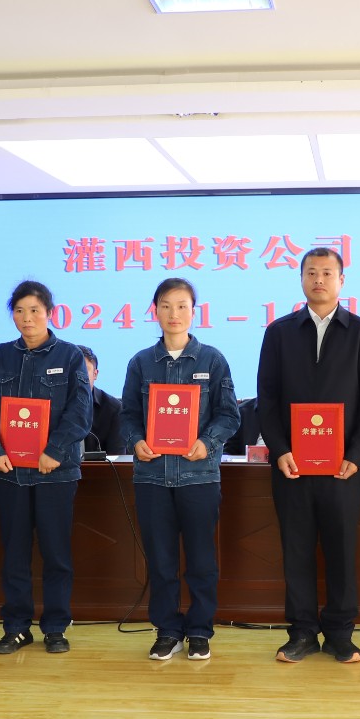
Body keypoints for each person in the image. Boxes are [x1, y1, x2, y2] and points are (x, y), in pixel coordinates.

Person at [257, 247, 360, 664]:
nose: (319, 280)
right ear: (301, 279)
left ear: (341, 281)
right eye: (311, 272)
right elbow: (267, 398)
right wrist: (280, 450)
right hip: (292, 465)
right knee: (296, 550)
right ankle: (302, 633)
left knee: (341, 550)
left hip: (343, 467)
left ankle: (341, 634)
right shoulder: (279, 332)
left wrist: (358, 454)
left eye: (327, 273)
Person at [119, 278, 241, 662]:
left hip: (198, 476)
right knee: (161, 561)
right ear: (155, 311)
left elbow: (229, 415)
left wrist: (207, 442)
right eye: (166, 306)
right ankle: (167, 630)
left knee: (202, 561)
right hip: (152, 477)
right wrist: (136, 440)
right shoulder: (140, 363)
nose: (174, 313)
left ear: (194, 311)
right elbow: (127, 415)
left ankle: (200, 631)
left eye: (182, 305)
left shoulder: (212, 360)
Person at [0, 280, 92, 656]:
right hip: (9, 472)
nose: (27, 318)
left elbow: (80, 410)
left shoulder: (70, 356)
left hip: (55, 472)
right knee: (14, 554)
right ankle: (16, 628)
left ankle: (55, 627)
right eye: (20, 311)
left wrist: (55, 450)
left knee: (56, 554)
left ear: (50, 313)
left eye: (35, 310)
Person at [77, 345, 126, 456]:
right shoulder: (53, 404)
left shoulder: (114, 409)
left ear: (95, 374)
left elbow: (117, 458)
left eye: (84, 369)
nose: (77, 375)